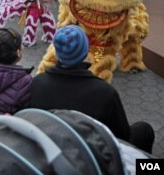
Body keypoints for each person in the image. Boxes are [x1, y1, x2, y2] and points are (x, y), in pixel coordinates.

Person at [30, 25, 155, 154]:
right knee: (145, 130)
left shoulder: (38, 82)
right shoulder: (105, 92)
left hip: (52, 148)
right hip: (93, 153)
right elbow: (123, 136)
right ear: (85, 52)